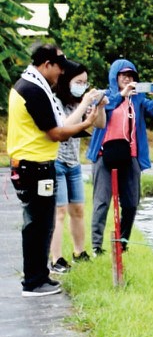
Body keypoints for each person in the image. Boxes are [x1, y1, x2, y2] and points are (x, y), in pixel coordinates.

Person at [7, 45, 103, 295]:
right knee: (38, 224)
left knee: (42, 222)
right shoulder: (33, 90)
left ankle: (40, 276)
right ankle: (33, 281)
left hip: (35, 165)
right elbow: (56, 133)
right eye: (59, 68)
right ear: (47, 64)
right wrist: (87, 123)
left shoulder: (30, 85)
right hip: (34, 166)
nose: (61, 74)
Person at [87, 58, 153, 257]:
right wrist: (121, 95)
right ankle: (97, 246)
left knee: (131, 203)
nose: (127, 79)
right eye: (123, 75)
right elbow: (103, 108)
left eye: (131, 75)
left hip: (130, 155)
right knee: (101, 202)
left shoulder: (138, 98)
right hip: (103, 154)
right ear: (115, 77)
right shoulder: (104, 95)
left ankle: (122, 243)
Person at [47, 58, 99, 274]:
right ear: (67, 80)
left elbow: (99, 125)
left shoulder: (77, 103)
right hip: (56, 161)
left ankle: (79, 252)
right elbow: (64, 126)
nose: (83, 87)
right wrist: (85, 104)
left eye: (85, 83)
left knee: (77, 209)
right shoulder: (55, 101)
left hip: (74, 163)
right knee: (59, 211)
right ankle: (56, 259)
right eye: (79, 82)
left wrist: (99, 107)